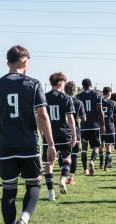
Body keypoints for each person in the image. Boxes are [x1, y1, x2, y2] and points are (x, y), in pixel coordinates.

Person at [0, 45, 56, 224]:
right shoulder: (33, 84)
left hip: (6, 145)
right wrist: (50, 144)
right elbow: (42, 116)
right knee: (33, 184)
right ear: (24, 61)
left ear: (8, 62)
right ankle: (23, 220)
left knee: (8, 190)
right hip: (29, 145)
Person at [43, 72, 77, 201]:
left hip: (49, 135)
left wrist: (42, 132)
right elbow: (70, 119)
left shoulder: (43, 97)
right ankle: (63, 179)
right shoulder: (67, 98)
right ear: (61, 83)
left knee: (49, 162)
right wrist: (74, 135)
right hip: (64, 134)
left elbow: (39, 117)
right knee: (67, 159)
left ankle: (51, 192)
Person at [76, 79, 105, 175]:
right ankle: (92, 161)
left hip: (84, 126)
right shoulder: (96, 94)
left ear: (82, 85)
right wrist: (102, 125)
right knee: (96, 147)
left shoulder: (79, 96)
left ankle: (85, 170)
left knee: (84, 149)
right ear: (91, 85)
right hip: (95, 125)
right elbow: (100, 111)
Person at [64, 81, 86, 185]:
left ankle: (63, 175)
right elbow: (83, 118)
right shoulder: (78, 102)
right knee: (74, 155)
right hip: (74, 130)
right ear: (75, 91)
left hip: (62, 130)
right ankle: (71, 177)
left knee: (63, 154)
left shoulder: (61, 100)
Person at [100, 87, 116, 170]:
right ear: (109, 93)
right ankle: (106, 166)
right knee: (109, 147)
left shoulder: (98, 102)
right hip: (110, 127)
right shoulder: (113, 103)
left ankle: (101, 164)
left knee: (100, 147)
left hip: (100, 127)